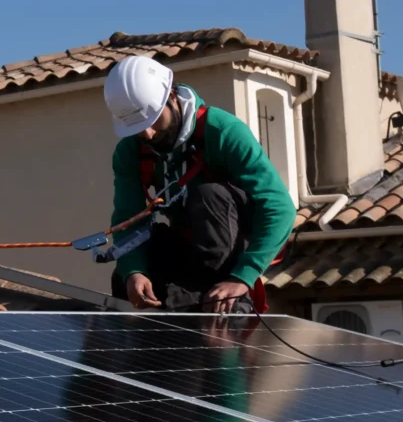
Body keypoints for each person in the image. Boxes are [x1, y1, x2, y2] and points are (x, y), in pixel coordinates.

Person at [102, 54, 295, 315]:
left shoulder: (223, 131)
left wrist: (243, 276)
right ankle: (171, 306)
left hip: (232, 247)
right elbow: (129, 220)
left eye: (153, 120)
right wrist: (134, 272)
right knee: (129, 272)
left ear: (171, 97)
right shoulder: (131, 152)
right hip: (188, 244)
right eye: (137, 127)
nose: (147, 134)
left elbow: (279, 208)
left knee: (209, 195)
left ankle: (221, 298)